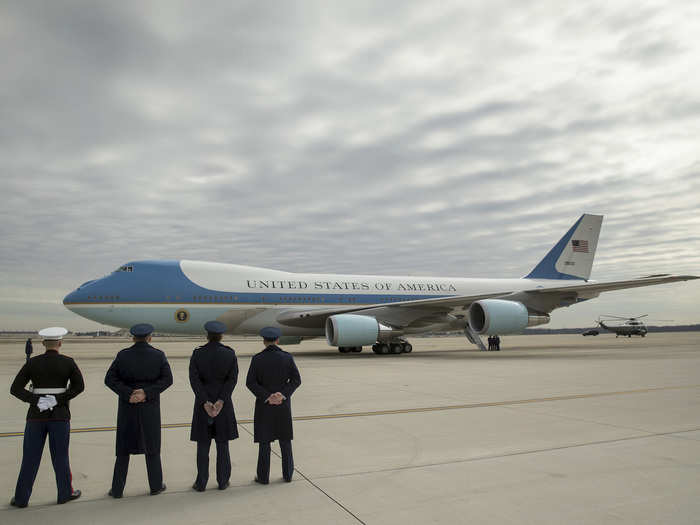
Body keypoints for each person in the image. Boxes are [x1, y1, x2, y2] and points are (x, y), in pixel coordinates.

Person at [10, 327, 84, 508]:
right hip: (60, 416)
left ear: (43, 343)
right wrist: (57, 399)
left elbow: (15, 389)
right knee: (60, 456)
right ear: (60, 343)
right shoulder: (68, 362)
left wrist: (36, 400)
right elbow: (79, 387)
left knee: (30, 457)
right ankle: (65, 493)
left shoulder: (32, 363)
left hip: (36, 417)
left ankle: (21, 499)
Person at [105, 323, 173, 498]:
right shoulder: (158, 355)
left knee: (123, 451)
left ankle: (117, 489)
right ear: (149, 337)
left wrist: (128, 393)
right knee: (152, 448)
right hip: (149, 408)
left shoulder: (123, 355)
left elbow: (110, 379)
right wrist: (146, 393)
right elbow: (167, 380)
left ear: (133, 338)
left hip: (128, 408)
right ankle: (156, 485)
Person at [246, 326, 301, 484]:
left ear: (264, 341)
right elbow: (296, 380)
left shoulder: (257, 359)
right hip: (282, 405)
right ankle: (288, 474)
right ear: (278, 340)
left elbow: (250, 382)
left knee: (265, 442)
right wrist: (282, 394)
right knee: (285, 441)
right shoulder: (287, 357)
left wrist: (267, 396)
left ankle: (263, 477)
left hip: (264, 406)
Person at [189, 321, 239, 491]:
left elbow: (194, 380)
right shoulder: (229, 354)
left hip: (203, 406)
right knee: (222, 444)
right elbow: (232, 380)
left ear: (207, 335)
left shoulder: (198, 354)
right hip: (222, 406)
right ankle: (223, 481)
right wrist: (220, 401)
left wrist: (205, 401)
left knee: (203, 445)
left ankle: (201, 482)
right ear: (221, 336)